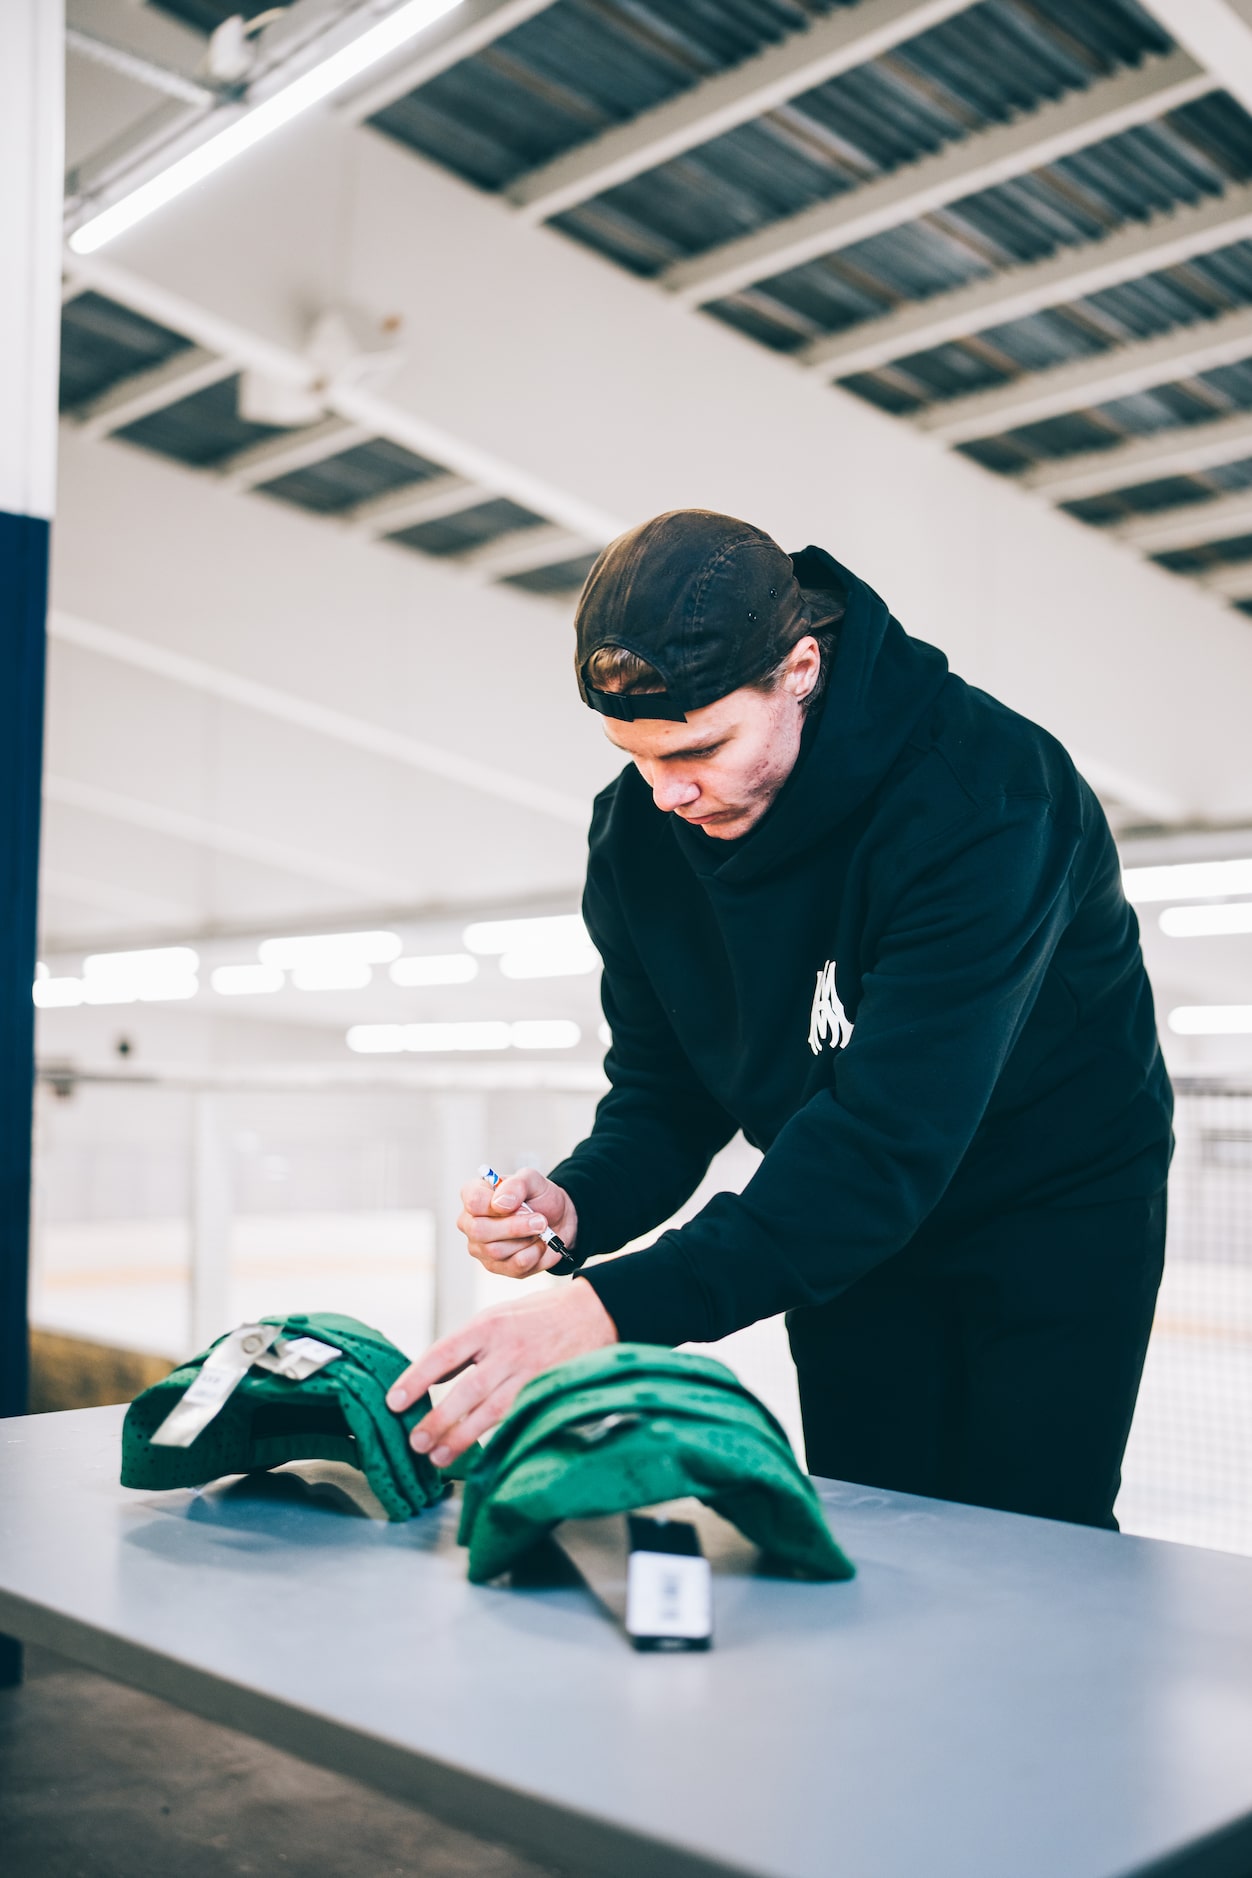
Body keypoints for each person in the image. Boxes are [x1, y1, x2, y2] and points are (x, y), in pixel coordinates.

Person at [387, 509, 1173, 1528]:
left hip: (1048, 1205)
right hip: (835, 1205)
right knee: (871, 1512)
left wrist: (613, 1309)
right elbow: (667, 1093)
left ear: (800, 668)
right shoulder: (639, 836)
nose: (669, 792)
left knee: (1033, 1531)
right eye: (637, 754)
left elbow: (890, 1139)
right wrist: (576, 1207)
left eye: (702, 748)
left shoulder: (984, 796)